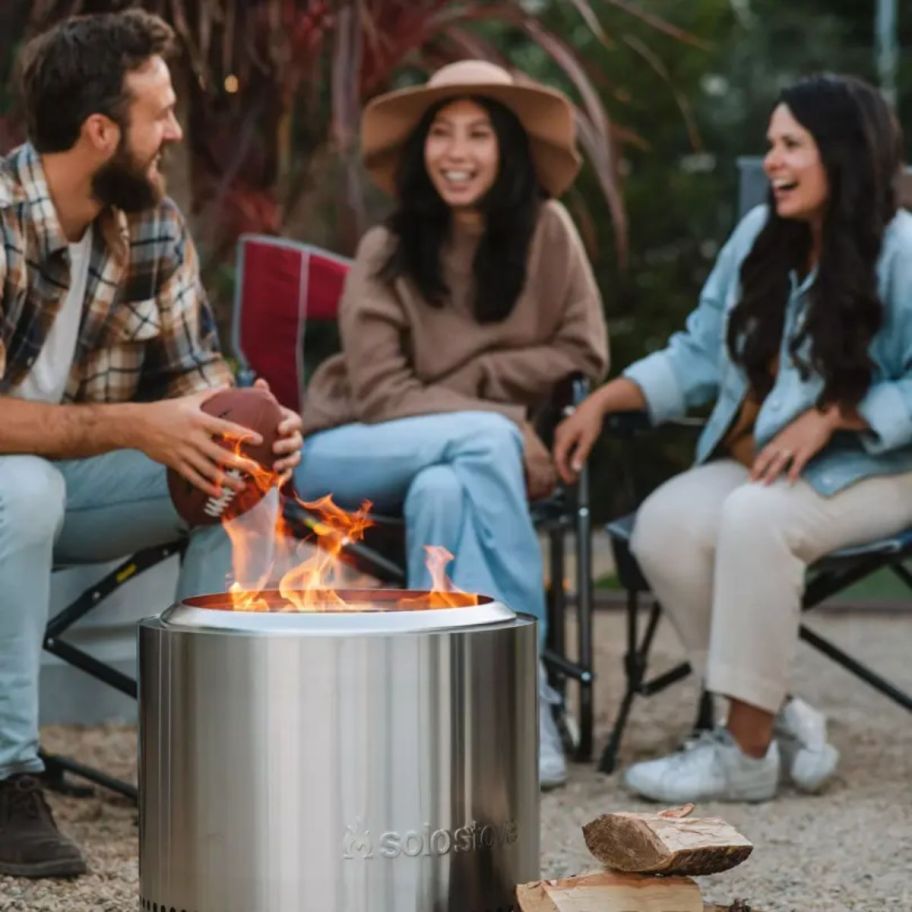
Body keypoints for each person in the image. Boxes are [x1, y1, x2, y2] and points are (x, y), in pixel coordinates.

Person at [0, 10, 302, 877]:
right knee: (24, 488)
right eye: (160, 113)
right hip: (14, 497)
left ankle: (206, 771)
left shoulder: (155, 224)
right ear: (100, 132)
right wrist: (137, 424)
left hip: (74, 496)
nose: (175, 130)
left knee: (238, 472)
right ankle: (8, 778)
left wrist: (256, 419)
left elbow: (199, 382)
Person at [554, 73, 912, 802]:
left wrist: (839, 412)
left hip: (881, 467)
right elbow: (694, 352)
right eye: (769, 146)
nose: (772, 162)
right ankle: (776, 715)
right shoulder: (760, 238)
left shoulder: (903, 249)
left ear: (840, 155)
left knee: (752, 520)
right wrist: (607, 401)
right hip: (773, 460)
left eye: (790, 146)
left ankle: (743, 758)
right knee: (667, 525)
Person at [294, 60, 608, 788]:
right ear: (420, 149)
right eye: (441, 133)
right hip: (347, 448)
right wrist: (496, 416)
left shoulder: (548, 233)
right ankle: (527, 695)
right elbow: (379, 395)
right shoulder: (388, 247)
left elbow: (582, 349)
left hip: (453, 460)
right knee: (488, 440)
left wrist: (478, 381)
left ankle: (442, 717)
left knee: (445, 489)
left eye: (476, 134)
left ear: (507, 149)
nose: (456, 152)